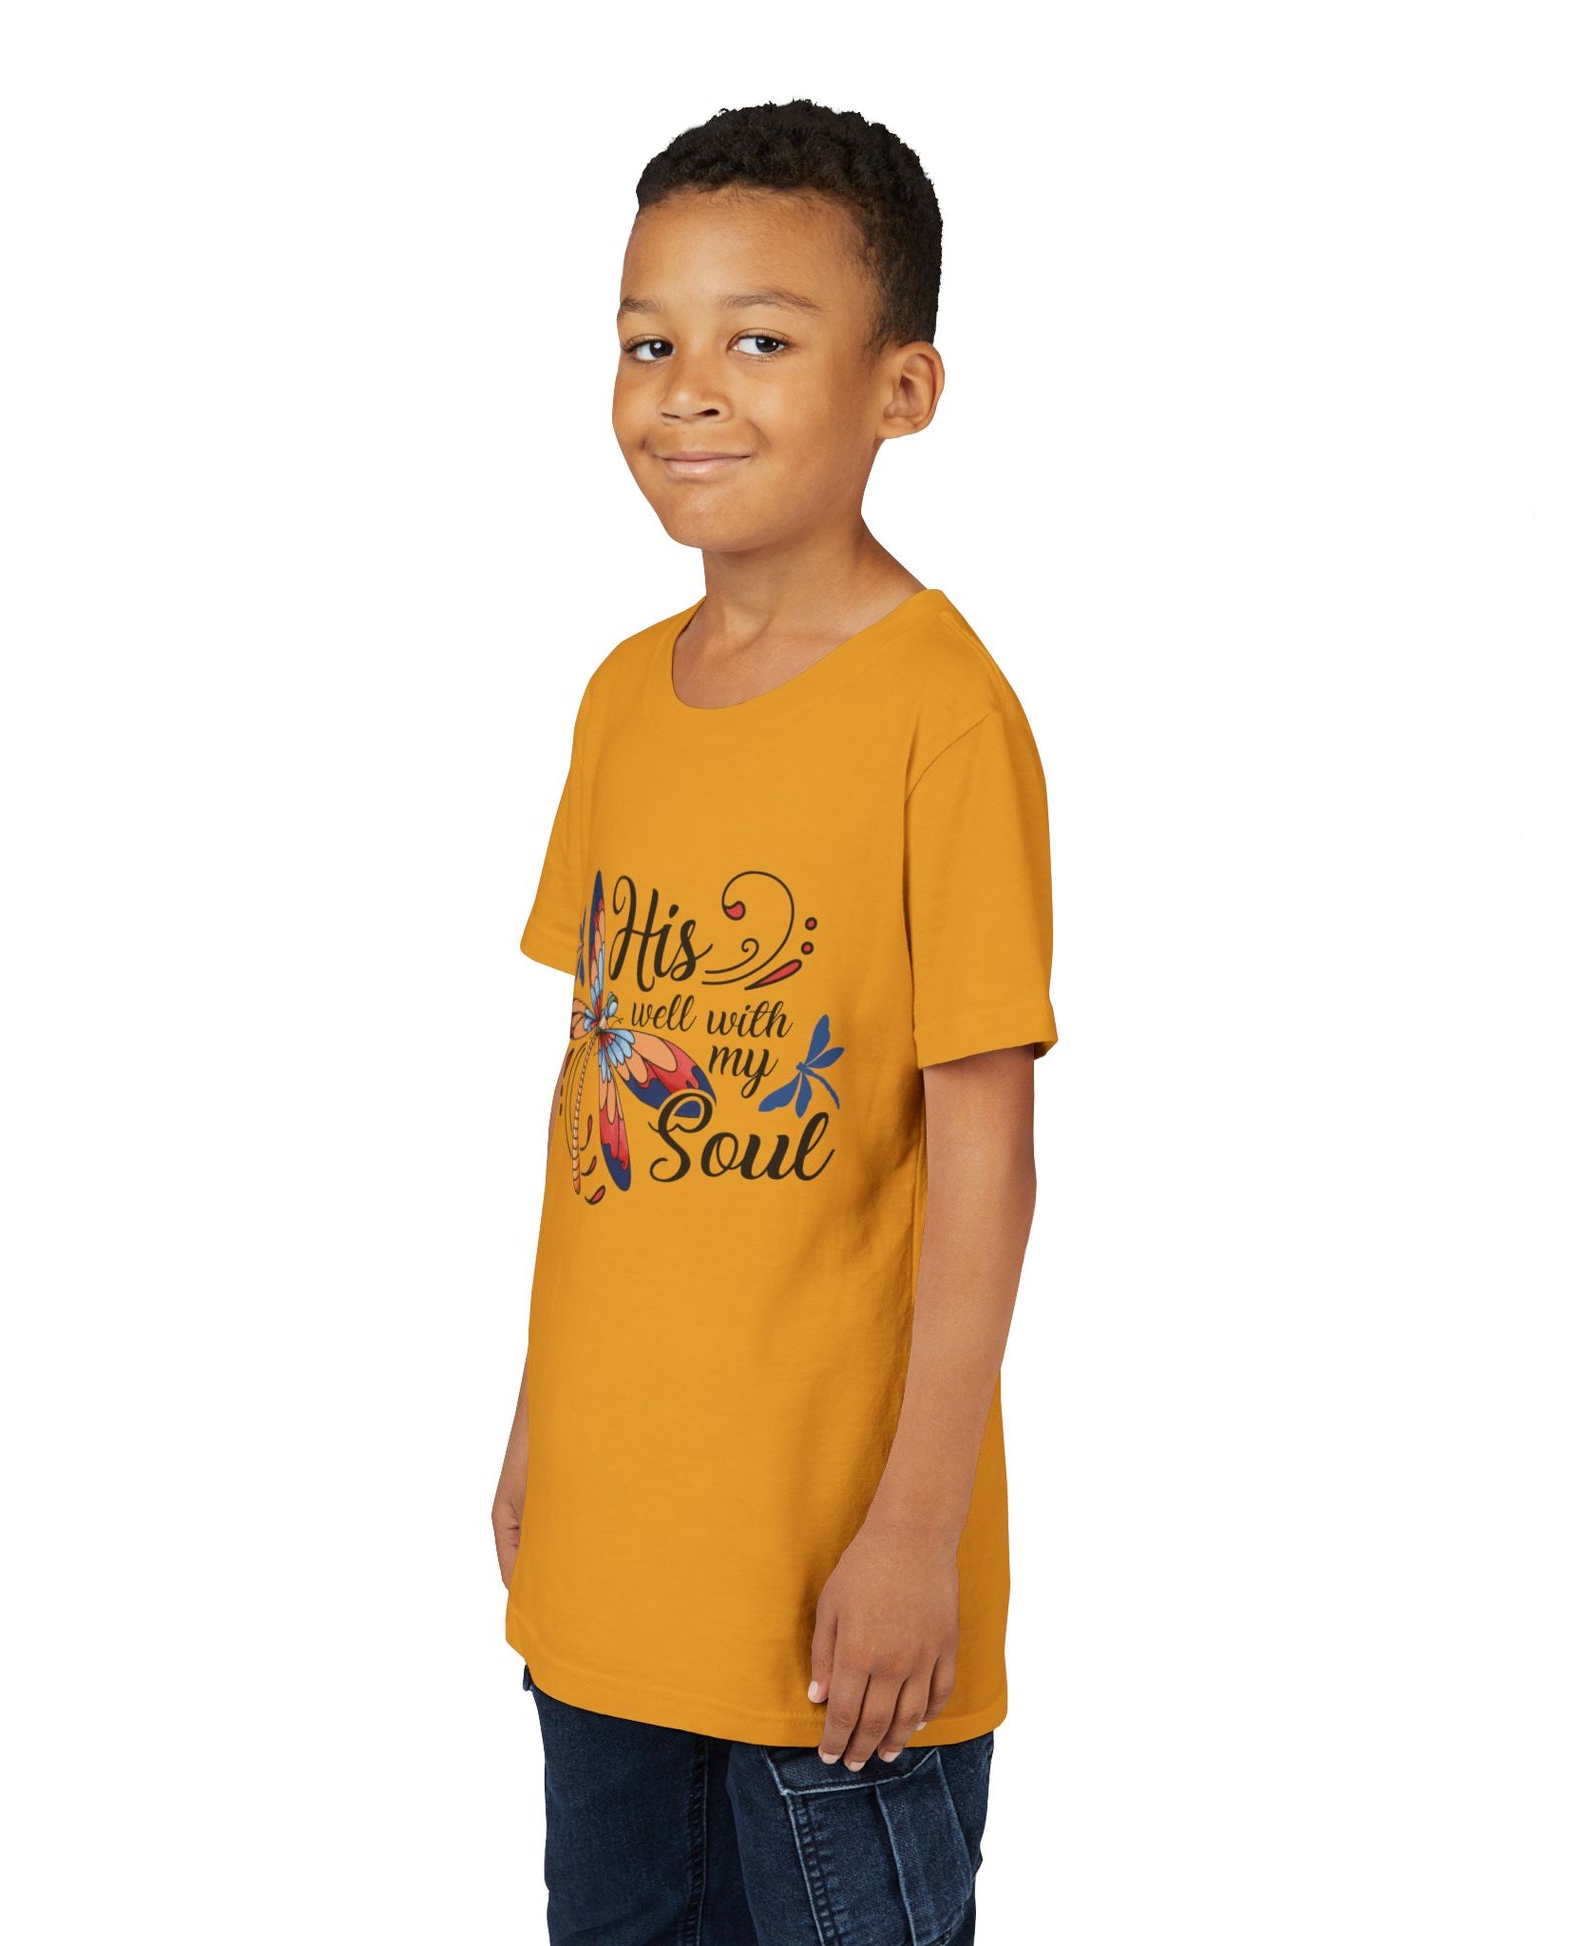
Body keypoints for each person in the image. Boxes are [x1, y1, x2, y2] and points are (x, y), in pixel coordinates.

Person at [492, 97, 1059, 1945]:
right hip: (613, 1564)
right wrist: (541, 1422)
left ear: (901, 388)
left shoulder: (940, 719)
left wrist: (917, 1529)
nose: (686, 393)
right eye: (647, 340)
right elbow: (595, 1084)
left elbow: (984, 1155)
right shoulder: (619, 699)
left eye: (757, 340)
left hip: (834, 1614)